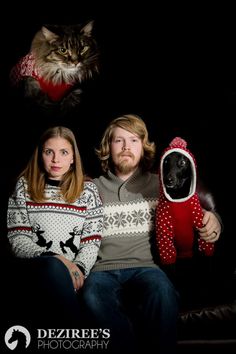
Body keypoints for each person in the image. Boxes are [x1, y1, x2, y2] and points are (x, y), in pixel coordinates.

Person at [81, 114, 221, 354]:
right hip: (102, 270)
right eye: (119, 141)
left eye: (133, 140)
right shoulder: (91, 188)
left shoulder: (161, 184)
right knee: (91, 294)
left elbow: (194, 207)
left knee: (162, 291)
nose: (126, 147)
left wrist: (215, 219)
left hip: (147, 268)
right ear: (107, 147)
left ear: (143, 147)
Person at [6, 126, 104, 326]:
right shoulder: (24, 187)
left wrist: (78, 269)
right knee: (51, 269)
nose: (56, 160)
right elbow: (18, 239)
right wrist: (58, 260)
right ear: (40, 155)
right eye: (49, 152)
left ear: (73, 158)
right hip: (38, 268)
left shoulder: (88, 191)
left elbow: (91, 242)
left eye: (63, 152)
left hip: (75, 273)